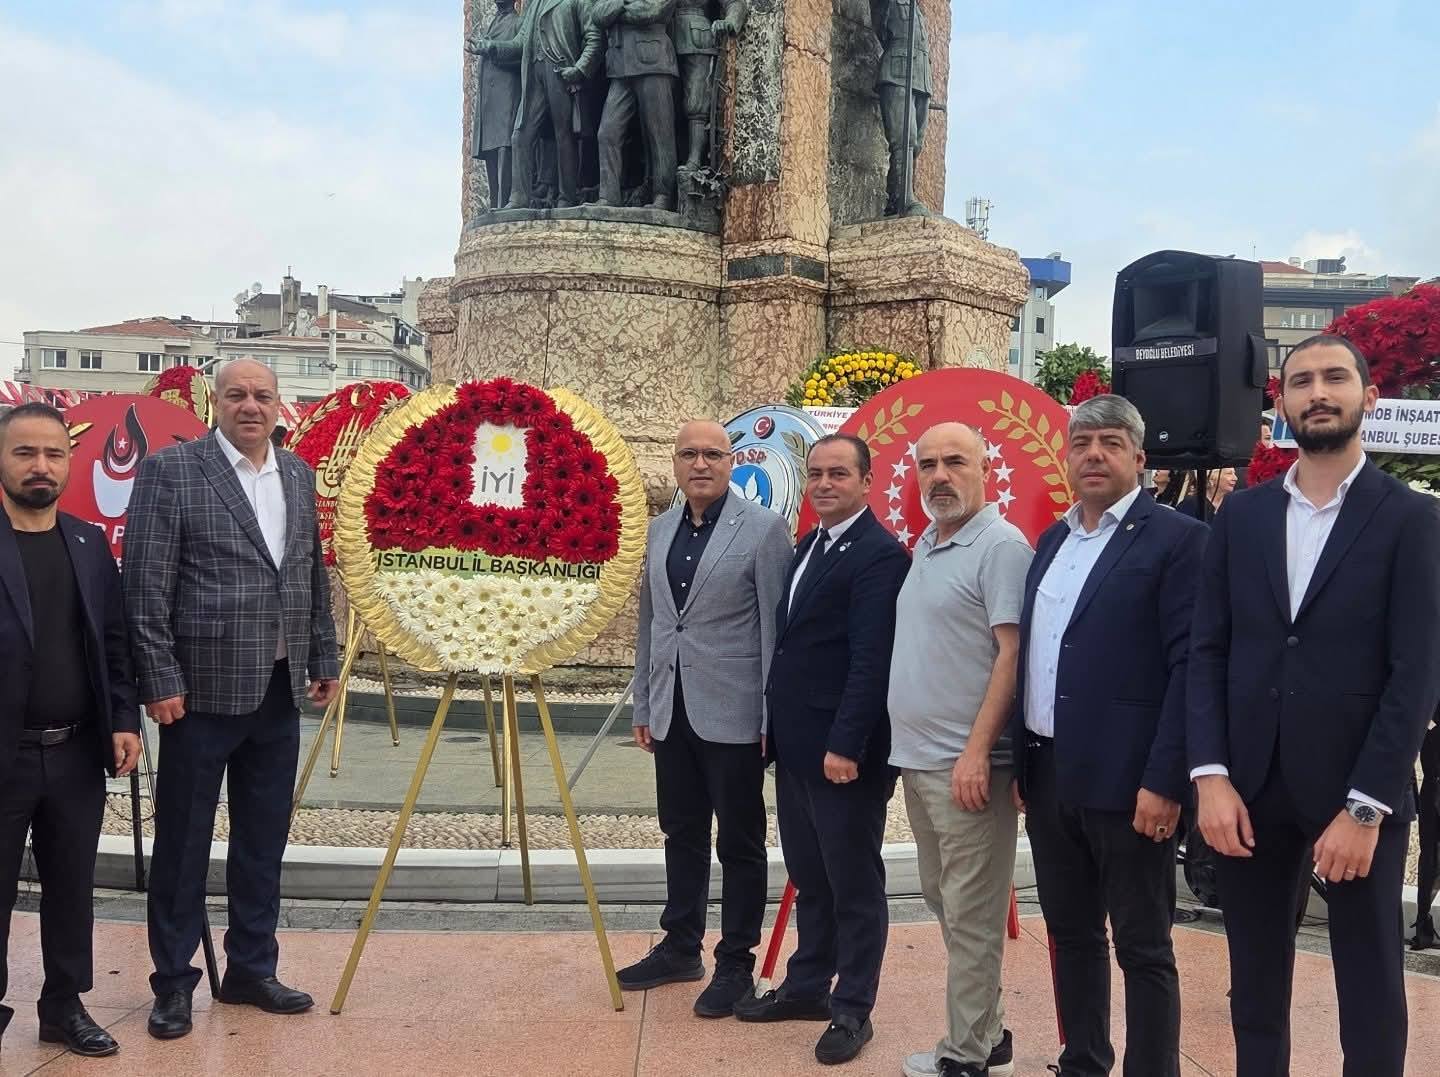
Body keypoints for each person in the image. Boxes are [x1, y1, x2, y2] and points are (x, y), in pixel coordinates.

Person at [1189, 334, 1440, 1077]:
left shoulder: (1411, 519)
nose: (1318, 391)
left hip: (1354, 791)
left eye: (1335, 377)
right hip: (1248, 788)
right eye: (1301, 380)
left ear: (1366, 395)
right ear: (1281, 401)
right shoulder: (1245, 516)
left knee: (1369, 988)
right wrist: (1209, 775)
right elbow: (1208, 649)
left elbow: (1417, 671)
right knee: (1254, 987)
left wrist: (1367, 806)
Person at [124, 358, 340, 1041]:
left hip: (277, 692)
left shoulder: (297, 473)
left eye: (263, 395)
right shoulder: (173, 471)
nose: (251, 406)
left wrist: (323, 656)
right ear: (213, 402)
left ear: (281, 405)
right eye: (237, 394)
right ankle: (174, 983)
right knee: (183, 843)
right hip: (199, 695)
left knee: (262, 841)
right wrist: (157, 679)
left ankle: (251, 966)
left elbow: (307, 571)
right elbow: (145, 585)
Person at [1013, 395, 1207, 1077]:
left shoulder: (1178, 540)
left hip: (1132, 782)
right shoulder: (1053, 540)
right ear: (1066, 458)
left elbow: (1190, 667)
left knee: (1143, 944)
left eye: (1111, 443)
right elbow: (1037, 654)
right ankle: (1084, 1059)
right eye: (1082, 442)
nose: (1094, 454)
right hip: (1048, 771)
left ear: (1140, 458)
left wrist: (1166, 779)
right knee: (1071, 934)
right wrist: (1019, 758)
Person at [733, 434, 910, 1067]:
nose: (825, 484)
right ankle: (808, 985)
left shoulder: (879, 556)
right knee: (811, 879)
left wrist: (846, 745)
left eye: (839, 474)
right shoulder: (810, 544)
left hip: (844, 757)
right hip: (798, 749)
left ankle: (853, 1006)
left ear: (866, 481)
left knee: (854, 884)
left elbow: (871, 661)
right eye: (816, 474)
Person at [619, 420, 793, 1016]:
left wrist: (773, 717)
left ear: (732, 462)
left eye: (713, 454)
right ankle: (680, 945)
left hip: (736, 713)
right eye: (689, 454)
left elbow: (776, 631)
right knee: (681, 831)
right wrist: (645, 700)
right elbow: (653, 624)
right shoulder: (658, 529)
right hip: (673, 710)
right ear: (674, 463)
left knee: (741, 842)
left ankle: (736, 961)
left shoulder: (766, 531)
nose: (700, 464)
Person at [891, 424, 1032, 1077]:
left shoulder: (1000, 545)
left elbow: (1013, 652)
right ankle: (990, 1029)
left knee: (972, 914)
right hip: (920, 763)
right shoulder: (928, 542)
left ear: (985, 471)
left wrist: (978, 751)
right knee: (947, 900)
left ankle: (966, 1054)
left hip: (968, 768)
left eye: (955, 461)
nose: (939, 474)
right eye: (928, 464)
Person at [0, 404, 140, 1059]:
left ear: (69, 462)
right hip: (5, 756)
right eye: (25, 452)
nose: (40, 466)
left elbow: (113, 643)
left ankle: (63, 1006)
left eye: (53, 454)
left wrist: (122, 720)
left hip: (76, 751)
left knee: (70, 887)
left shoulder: (86, 544)